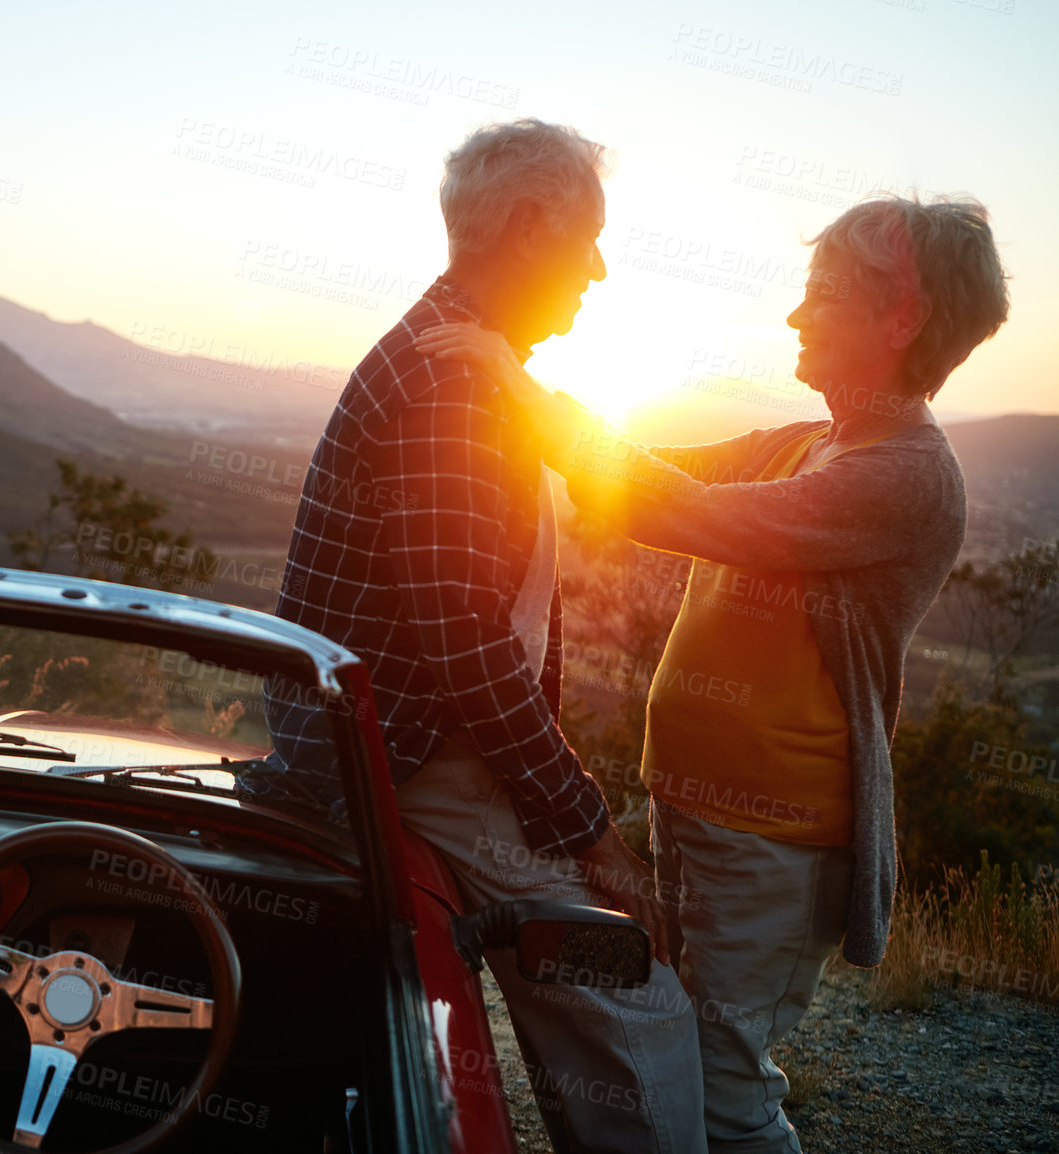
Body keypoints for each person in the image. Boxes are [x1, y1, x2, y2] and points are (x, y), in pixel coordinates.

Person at [416, 195, 1011, 1152]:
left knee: (732, 1094)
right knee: (682, 1055)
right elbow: (643, 472)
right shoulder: (803, 441)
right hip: (702, 815)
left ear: (900, 319)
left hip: (773, 840)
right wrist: (525, 423)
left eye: (820, 295)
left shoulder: (904, 477)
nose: (795, 315)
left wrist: (524, 395)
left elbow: (692, 514)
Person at [268, 119, 704, 1153]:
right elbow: (465, 642)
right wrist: (591, 833)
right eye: (587, 238)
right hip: (415, 754)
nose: (598, 269)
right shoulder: (453, 380)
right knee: (637, 998)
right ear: (525, 226)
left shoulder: (467, 356)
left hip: (400, 738)